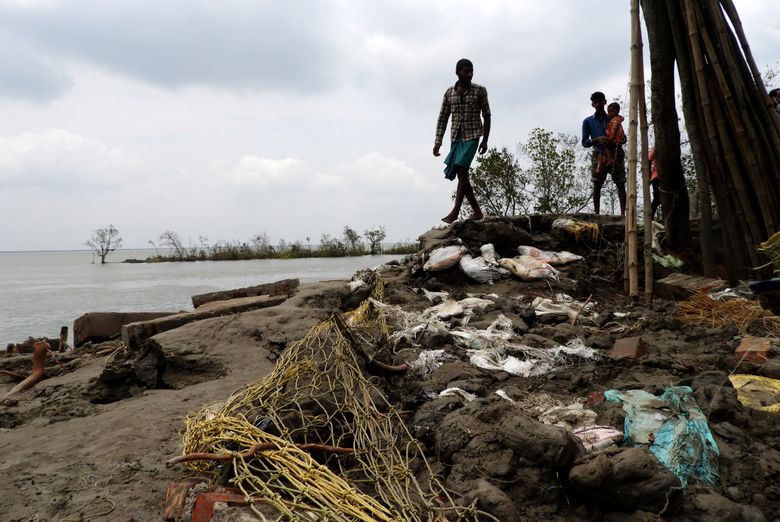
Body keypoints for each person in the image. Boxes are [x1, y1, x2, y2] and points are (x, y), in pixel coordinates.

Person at [434, 58, 490, 223]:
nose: (469, 74)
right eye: (466, 71)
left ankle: (455, 212)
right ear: (457, 72)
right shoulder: (449, 93)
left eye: (471, 71)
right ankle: (477, 212)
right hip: (456, 137)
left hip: (473, 135)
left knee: (461, 170)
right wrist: (438, 142)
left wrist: (485, 140)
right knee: (461, 174)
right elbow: (443, 118)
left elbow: (487, 115)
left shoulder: (480, 90)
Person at [582, 91, 627, 215]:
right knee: (597, 183)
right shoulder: (588, 121)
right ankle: (597, 214)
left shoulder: (613, 117)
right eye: (595, 102)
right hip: (599, 153)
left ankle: (623, 214)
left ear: (604, 102)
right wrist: (596, 139)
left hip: (616, 152)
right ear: (592, 104)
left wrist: (618, 140)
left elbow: (624, 137)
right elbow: (585, 142)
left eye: (600, 102)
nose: (598, 104)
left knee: (620, 182)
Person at [595, 102, 626, 177]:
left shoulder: (615, 121)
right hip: (616, 139)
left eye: (612, 111)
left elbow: (614, 131)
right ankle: (601, 165)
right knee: (601, 149)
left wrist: (611, 137)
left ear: (617, 112)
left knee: (603, 144)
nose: (610, 113)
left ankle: (610, 159)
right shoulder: (614, 119)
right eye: (608, 112)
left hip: (614, 139)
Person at [648, 147, 661, 221]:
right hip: (656, 177)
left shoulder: (670, 148)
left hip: (667, 177)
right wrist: (649, 175)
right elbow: (649, 160)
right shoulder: (655, 148)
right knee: (657, 198)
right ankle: (651, 217)